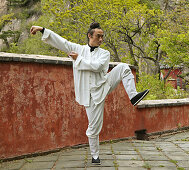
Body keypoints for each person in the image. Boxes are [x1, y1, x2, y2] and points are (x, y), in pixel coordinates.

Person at [30, 22, 149, 165]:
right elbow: (61, 42)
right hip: (90, 96)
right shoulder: (78, 49)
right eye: (98, 36)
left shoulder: (105, 53)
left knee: (123, 67)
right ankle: (95, 156)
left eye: (102, 36)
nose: (101, 39)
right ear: (89, 35)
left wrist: (77, 60)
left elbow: (97, 67)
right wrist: (43, 30)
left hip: (104, 84)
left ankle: (133, 96)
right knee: (94, 127)